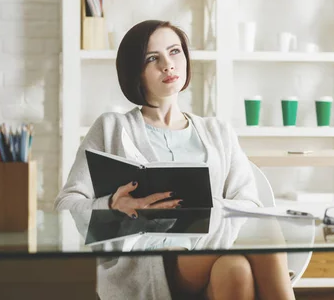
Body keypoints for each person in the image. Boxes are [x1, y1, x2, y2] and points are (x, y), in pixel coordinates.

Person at [55, 20, 296, 300]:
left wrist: (206, 208)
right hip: (148, 262)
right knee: (262, 233)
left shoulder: (218, 132)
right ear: (136, 71)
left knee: (236, 268)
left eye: (175, 52)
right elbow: (65, 206)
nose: (167, 65)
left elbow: (250, 206)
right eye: (152, 58)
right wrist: (112, 205)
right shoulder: (112, 128)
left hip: (212, 246)